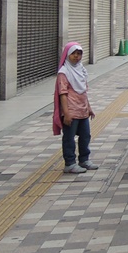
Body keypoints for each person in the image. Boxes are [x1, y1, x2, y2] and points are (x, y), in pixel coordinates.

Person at [54, 42, 97, 174]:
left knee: (85, 136)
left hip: (82, 110)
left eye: (79, 54)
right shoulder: (64, 72)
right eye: (73, 54)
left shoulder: (81, 70)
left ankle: (84, 160)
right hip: (71, 111)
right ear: (67, 55)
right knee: (69, 138)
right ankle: (70, 163)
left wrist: (89, 108)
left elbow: (83, 91)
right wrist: (66, 114)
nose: (76, 57)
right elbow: (62, 94)